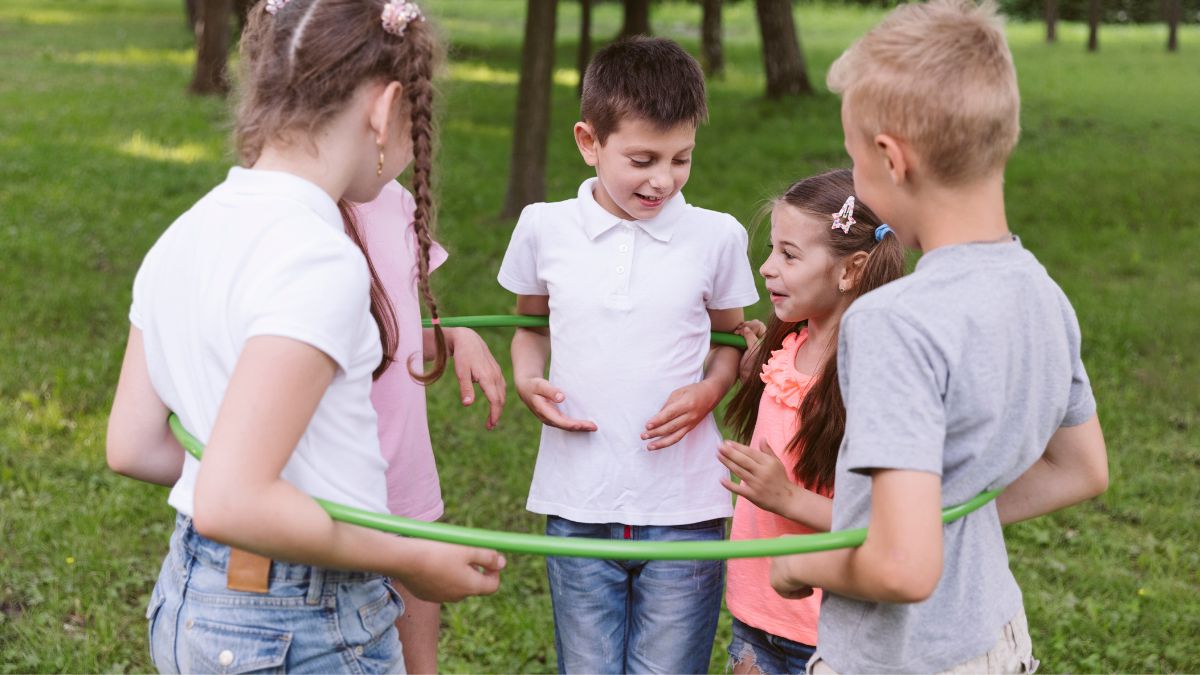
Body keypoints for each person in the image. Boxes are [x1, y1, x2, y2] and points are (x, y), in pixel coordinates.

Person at [105, 1, 504, 672]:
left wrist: (261, 478)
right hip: (302, 623)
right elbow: (232, 497)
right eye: (420, 122)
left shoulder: (187, 231)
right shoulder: (319, 258)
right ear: (385, 110)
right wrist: (412, 558)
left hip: (194, 600)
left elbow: (133, 443)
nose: (414, 150)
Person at [767, 2, 1110, 673]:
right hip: (997, 641)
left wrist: (799, 563)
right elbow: (1081, 469)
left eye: (853, 157)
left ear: (890, 159)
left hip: (900, 658)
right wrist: (930, 518)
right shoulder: (1039, 289)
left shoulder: (894, 321)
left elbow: (903, 568)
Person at [497, 36, 759, 674]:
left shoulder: (716, 237)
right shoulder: (543, 226)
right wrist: (528, 377)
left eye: (681, 159)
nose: (662, 180)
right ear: (589, 142)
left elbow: (730, 340)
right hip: (579, 503)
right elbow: (531, 326)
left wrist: (709, 391)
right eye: (642, 159)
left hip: (685, 508)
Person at [718, 169, 903, 675]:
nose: (766, 267)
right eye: (772, 249)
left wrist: (788, 499)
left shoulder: (872, 376)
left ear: (851, 270)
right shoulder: (788, 346)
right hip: (757, 615)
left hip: (832, 630)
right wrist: (757, 356)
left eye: (789, 255)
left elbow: (891, 523)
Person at [351, 181, 507, 674]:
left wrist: (456, 336)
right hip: (331, 492)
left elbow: (386, 337)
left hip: (402, 479)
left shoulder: (394, 198)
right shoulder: (297, 214)